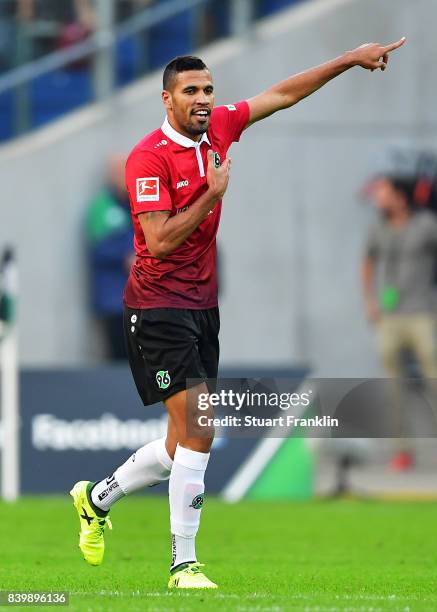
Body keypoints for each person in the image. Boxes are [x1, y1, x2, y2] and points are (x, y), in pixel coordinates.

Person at [71, 38, 406, 589]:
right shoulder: (148, 157)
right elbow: (155, 241)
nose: (203, 99)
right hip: (156, 308)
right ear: (166, 99)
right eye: (191, 91)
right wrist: (210, 194)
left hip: (202, 308)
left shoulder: (221, 128)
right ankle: (184, 564)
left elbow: (281, 94)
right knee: (201, 427)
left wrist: (348, 59)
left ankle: (97, 498)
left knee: (182, 442)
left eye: (208, 90)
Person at [362, 174, 437, 469]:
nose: (378, 198)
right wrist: (370, 301)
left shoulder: (426, 226)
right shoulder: (377, 229)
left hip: (421, 315)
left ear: (400, 196)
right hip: (390, 318)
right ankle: (402, 451)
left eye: (383, 192)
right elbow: (367, 262)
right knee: (394, 387)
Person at [85, 154, 134, 360]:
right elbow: (97, 247)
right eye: (121, 172)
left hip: (142, 299)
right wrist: (125, 256)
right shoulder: (102, 207)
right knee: (117, 359)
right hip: (113, 300)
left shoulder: (137, 205)